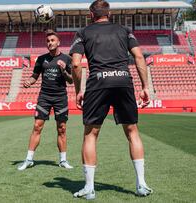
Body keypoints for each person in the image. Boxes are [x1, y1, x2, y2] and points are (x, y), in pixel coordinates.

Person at [69, 0, 153, 200]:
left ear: (91, 14)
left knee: (91, 134)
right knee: (132, 131)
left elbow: (75, 64)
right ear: (109, 13)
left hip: (98, 83)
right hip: (124, 80)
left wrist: (78, 90)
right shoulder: (124, 31)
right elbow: (139, 57)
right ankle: (141, 184)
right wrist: (145, 87)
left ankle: (89, 188)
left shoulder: (83, 33)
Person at [18, 30, 74, 171]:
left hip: (60, 97)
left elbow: (71, 80)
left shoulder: (67, 59)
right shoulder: (41, 59)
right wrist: (29, 82)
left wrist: (64, 71)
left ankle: (63, 160)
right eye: (48, 41)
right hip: (44, 97)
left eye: (52, 40)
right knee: (37, 126)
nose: (50, 43)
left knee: (62, 129)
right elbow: (34, 76)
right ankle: (29, 159)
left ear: (58, 42)